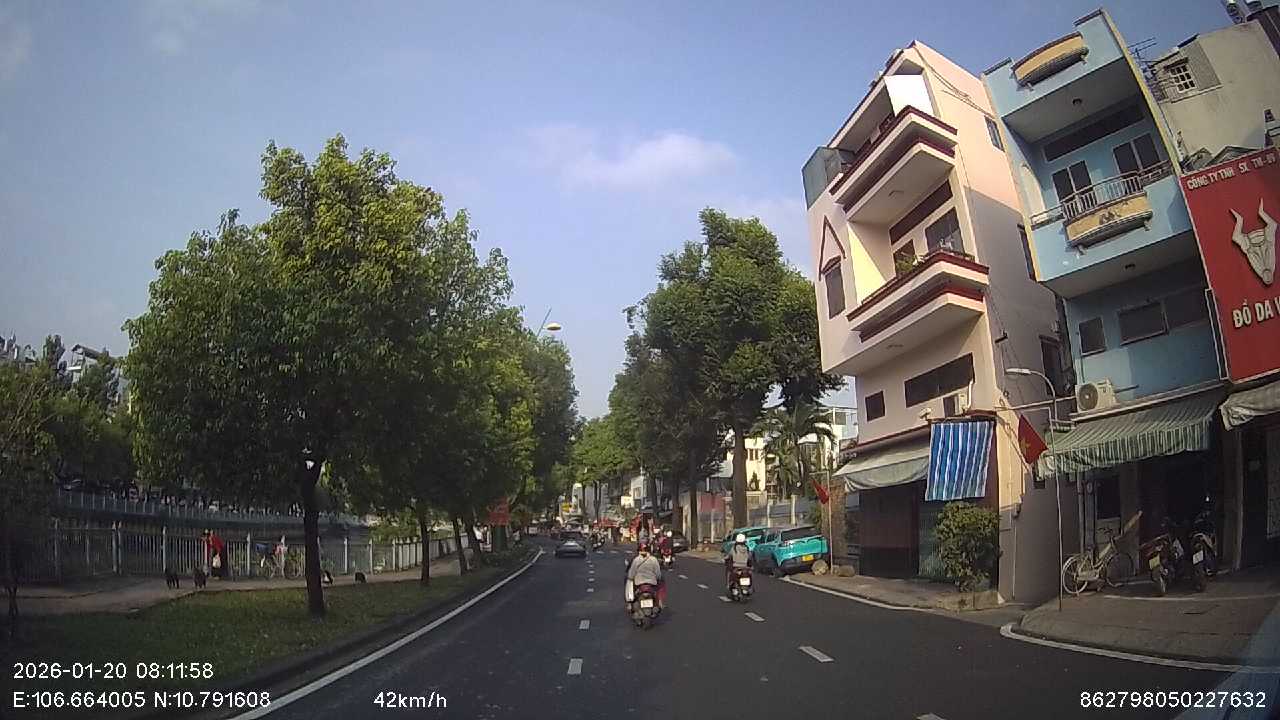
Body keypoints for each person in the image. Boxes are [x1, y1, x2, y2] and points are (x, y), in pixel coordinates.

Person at [626, 541, 665, 610]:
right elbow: (658, 574)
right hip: (652, 583)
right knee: (661, 582)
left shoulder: (636, 560)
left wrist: (631, 578)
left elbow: (631, 575)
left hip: (639, 583)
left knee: (629, 582)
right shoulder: (653, 560)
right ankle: (660, 601)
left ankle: (629, 602)